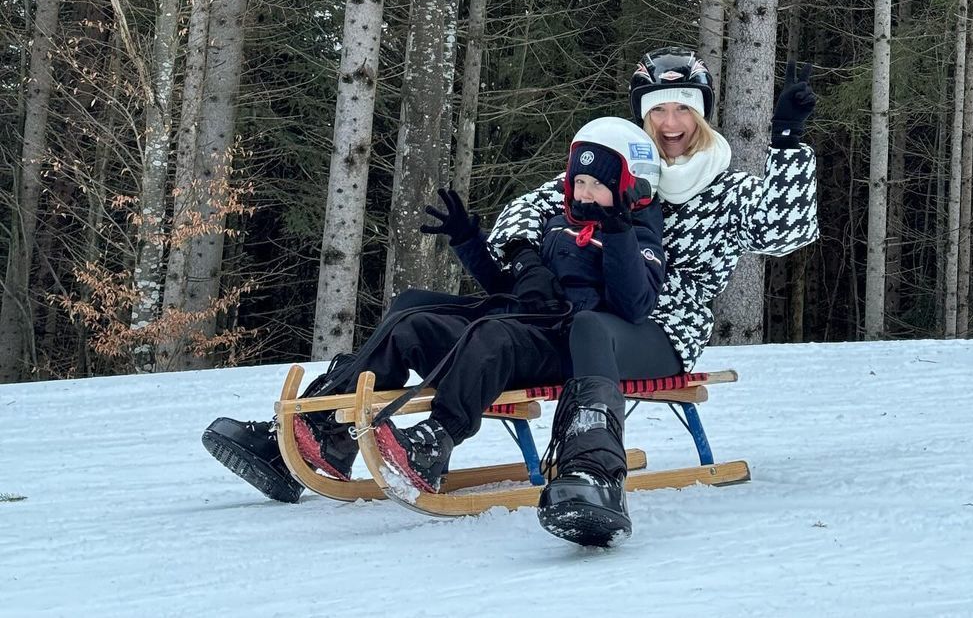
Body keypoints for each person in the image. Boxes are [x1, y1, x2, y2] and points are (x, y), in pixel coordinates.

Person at [203, 116, 668, 543]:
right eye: (579, 181)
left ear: (629, 188)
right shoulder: (557, 226)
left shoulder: (637, 237)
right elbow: (512, 289)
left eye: (598, 185)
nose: (584, 193)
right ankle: (323, 432)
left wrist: (620, 232)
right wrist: (470, 243)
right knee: (411, 319)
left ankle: (435, 442)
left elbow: (634, 304)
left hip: (563, 343)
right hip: (522, 322)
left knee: (491, 335)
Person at [483, 48, 819, 539]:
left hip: (663, 329)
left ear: (700, 114)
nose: (670, 122)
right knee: (485, 320)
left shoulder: (726, 192)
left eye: (683, 107)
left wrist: (787, 142)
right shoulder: (619, 170)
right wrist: (526, 260)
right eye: (657, 109)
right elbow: (524, 211)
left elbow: (786, 231)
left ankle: (593, 473)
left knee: (589, 328)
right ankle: (355, 422)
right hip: (586, 314)